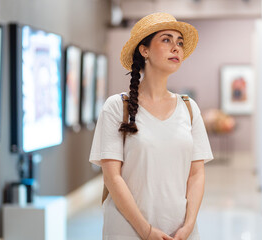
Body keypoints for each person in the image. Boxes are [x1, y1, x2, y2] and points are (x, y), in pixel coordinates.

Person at [89, 12, 214, 240]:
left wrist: (188, 226)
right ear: (144, 50)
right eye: (166, 40)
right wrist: (146, 231)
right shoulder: (117, 107)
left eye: (180, 43)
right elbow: (112, 178)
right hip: (128, 229)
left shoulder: (189, 107)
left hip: (180, 232)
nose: (176, 48)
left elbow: (196, 174)